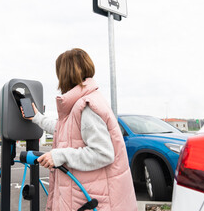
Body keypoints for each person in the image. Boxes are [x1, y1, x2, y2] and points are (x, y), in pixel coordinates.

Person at [22, 48, 137, 211]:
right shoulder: (81, 103)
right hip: (85, 197)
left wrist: (59, 155)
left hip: (91, 200)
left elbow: (103, 153)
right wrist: (37, 118)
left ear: (65, 74)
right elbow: (65, 131)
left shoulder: (87, 106)